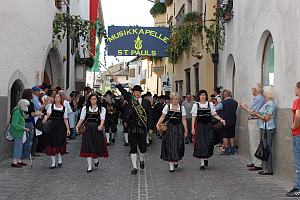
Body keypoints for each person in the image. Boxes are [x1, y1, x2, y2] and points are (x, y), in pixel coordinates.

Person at [113, 76, 152, 175]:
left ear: (141, 93)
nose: (137, 94)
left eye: (138, 92)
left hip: (142, 128)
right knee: (133, 148)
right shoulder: (130, 99)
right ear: (133, 93)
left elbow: (150, 116)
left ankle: (141, 159)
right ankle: (134, 167)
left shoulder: (146, 102)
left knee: (143, 148)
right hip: (132, 127)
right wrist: (116, 81)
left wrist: (150, 128)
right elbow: (122, 91)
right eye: (135, 92)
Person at [191, 90, 225, 170]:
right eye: (201, 95)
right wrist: (192, 128)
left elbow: (214, 114)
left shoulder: (210, 104)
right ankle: (202, 163)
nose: (203, 97)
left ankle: (206, 158)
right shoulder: (196, 105)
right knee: (201, 143)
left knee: (209, 142)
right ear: (199, 96)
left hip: (208, 126)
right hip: (200, 126)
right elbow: (193, 117)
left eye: (204, 95)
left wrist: (221, 119)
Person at [156, 93, 188, 173]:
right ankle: (171, 166)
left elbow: (183, 119)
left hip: (178, 128)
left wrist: (186, 130)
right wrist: (157, 124)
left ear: (178, 100)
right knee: (169, 145)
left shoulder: (181, 108)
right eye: (173, 99)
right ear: (171, 100)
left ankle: (176, 159)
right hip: (169, 129)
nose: (175, 101)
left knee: (178, 145)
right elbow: (163, 117)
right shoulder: (167, 107)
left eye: (176, 99)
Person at [76, 94, 108, 172]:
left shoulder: (102, 109)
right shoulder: (85, 108)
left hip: (96, 129)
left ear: (97, 100)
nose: (93, 100)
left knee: (96, 146)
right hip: (87, 130)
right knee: (88, 146)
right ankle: (89, 166)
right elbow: (81, 119)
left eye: (94, 99)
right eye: (91, 99)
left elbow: (102, 119)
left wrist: (101, 125)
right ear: (89, 100)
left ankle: (96, 159)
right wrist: (77, 126)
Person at [252, 86, 277, 176]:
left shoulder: (270, 104)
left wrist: (256, 114)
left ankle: (269, 169)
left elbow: (266, 118)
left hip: (268, 128)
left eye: (264, 92)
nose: (263, 93)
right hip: (265, 127)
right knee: (265, 148)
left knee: (267, 149)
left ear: (268, 93)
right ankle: (266, 168)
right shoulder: (267, 103)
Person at [240, 83, 265, 171]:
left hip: (255, 121)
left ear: (256, 90)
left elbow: (253, 112)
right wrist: (247, 108)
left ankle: (258, 163)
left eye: (253, 88)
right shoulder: (256, 99)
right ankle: (254, 161)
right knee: (252, 142)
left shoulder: (259, 99)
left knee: (255, 142)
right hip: (252, 121)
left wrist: (245, 107)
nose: (251, 90)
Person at [42, 93, 71, 169]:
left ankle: (60, 159)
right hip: (52, 127)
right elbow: (48, 114)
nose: (56, 98)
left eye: (58, 97)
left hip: (61, 128)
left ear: (61, 98)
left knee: (59, 143)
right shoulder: (51, 106)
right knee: (52, 143)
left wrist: (68, 129)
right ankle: (53, 162)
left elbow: (65, 119)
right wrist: (45, 118)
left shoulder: (64, 108)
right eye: (55, 97)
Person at [287, 81, 300, 197]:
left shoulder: (298, 101)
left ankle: (298, 188)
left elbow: (298, 116)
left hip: (298, 134)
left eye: (295, 88)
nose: (294, 90)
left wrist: (293, 127)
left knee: (298, 163)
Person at [10, 99, 30, 167]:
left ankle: (18, 160)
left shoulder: (19, 110)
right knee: (17, 146)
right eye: (26, 105)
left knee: (20, 146)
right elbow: (14, 124)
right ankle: (14, 162)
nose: (27, 107)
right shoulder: (17, 111)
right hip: (17, 132)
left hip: (19, 131)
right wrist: (24, 128)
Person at [218, 89, 238, 156]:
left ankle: (226, 150)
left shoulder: (222, 103)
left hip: (225, 121)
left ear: (224, 95)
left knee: (225, 135)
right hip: (233, 120)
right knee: (232, 135)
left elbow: (217, 109)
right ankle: (232, 149)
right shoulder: (235, 102)